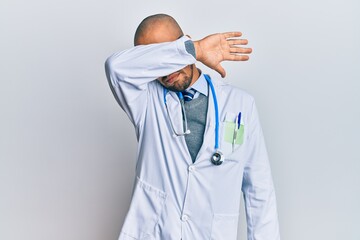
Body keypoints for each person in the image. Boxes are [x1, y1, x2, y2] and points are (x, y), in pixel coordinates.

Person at [105, 13, 280, 240]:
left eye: (170, 50)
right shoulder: (144, 101)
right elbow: (115, 67)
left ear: (184, 40)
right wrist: (193, 50)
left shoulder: (240, 105)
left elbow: (260, 192)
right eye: (158, 58)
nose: (167, 71)